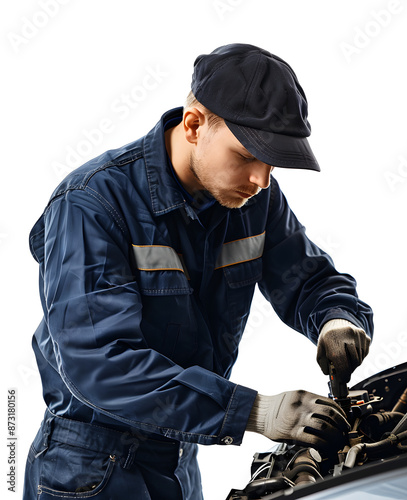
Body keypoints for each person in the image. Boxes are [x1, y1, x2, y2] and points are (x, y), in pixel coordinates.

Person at [23, 43, 373, 499]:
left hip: (180, 458)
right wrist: (255, 412)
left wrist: (336, 318)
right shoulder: (92, 204)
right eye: (248, 154)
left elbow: (309, 279)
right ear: (193, 125)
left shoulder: (252, 198)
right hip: (90, 470)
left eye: (273, 161)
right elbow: (99, 363)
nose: (261, 179)